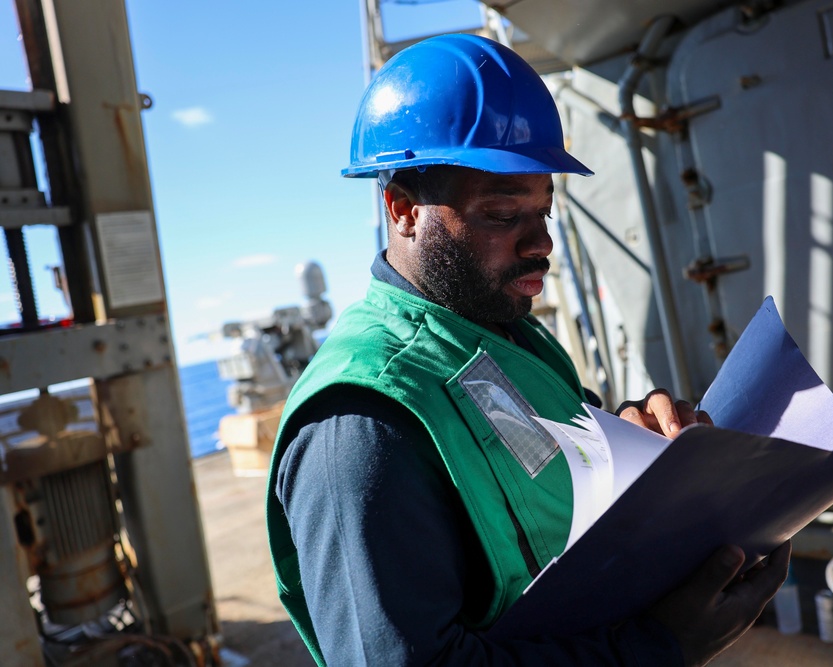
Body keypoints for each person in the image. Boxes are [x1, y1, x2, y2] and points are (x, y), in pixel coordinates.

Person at [266, 34, 790, 666]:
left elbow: (543, 461)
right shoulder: (360, 427)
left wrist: (628, 431)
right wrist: (658, 647)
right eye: (501, 215)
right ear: (403, 210)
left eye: (544, 213)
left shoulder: (506, 333)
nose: (540, 244)